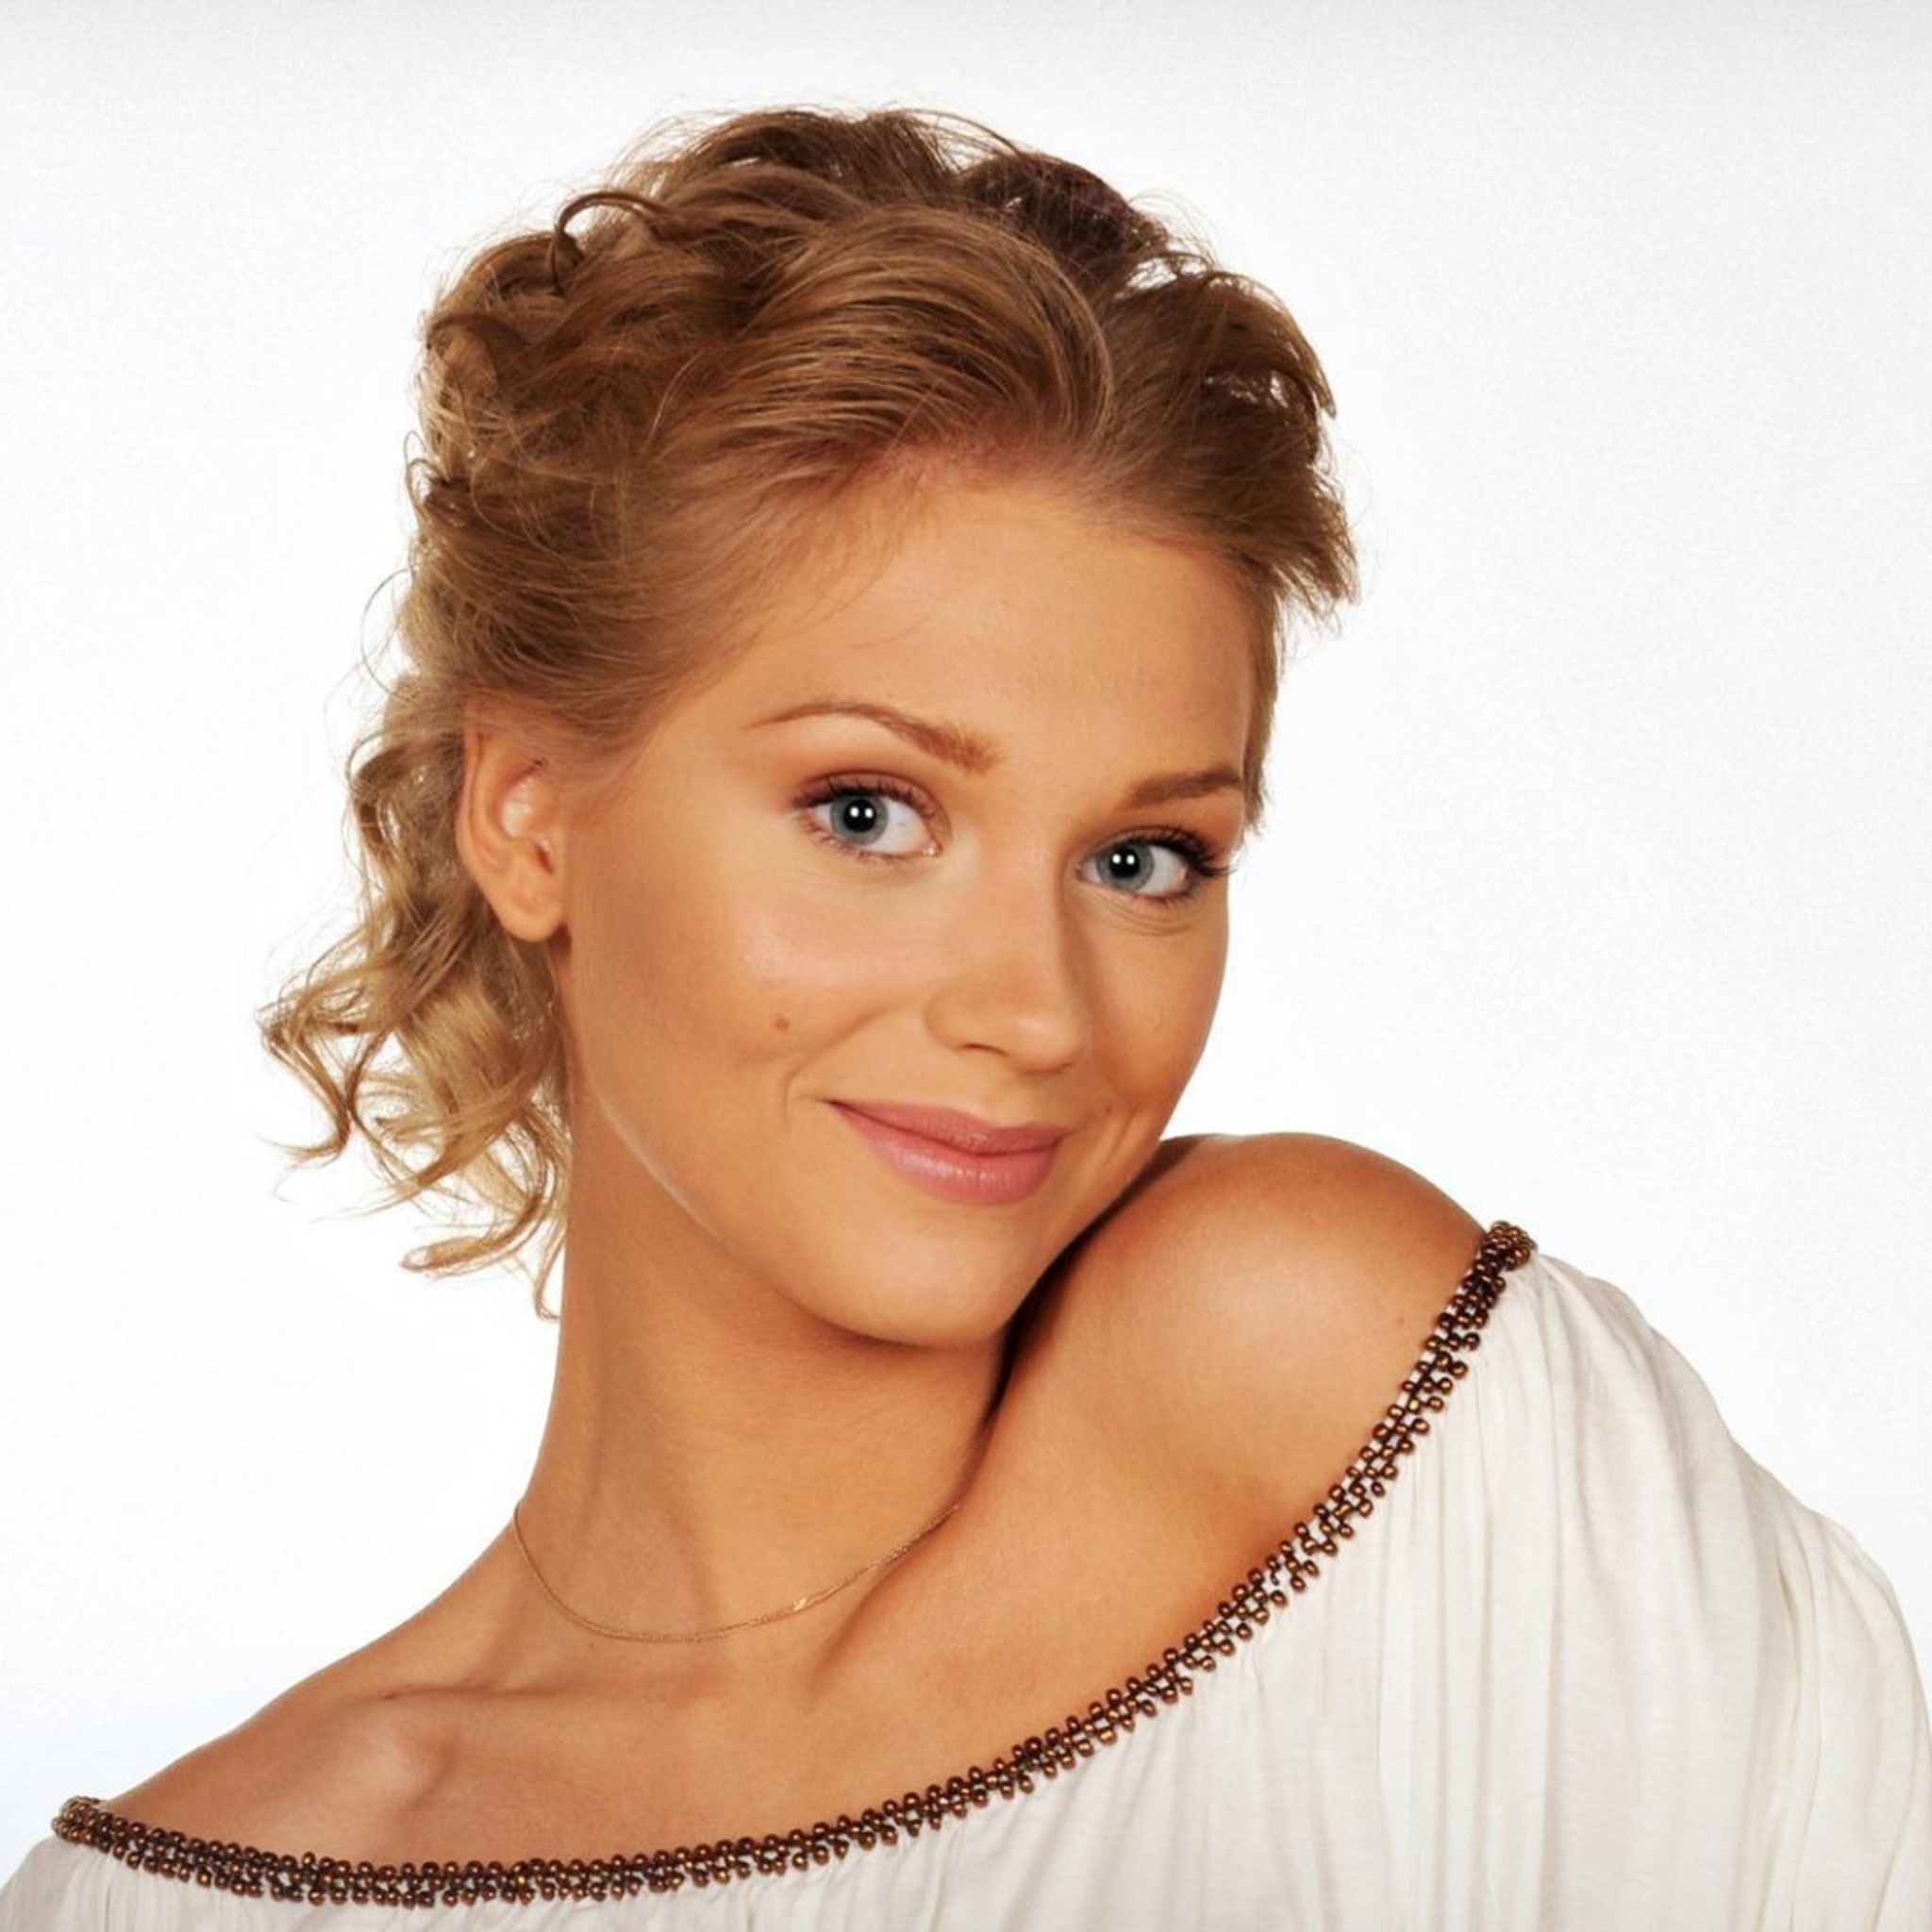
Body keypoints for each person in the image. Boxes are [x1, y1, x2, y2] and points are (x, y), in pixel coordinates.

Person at [2, 105, 1925, 1931]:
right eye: (869, 814)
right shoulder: (184, 1897)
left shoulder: (1325, 1403)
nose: (1035, 1012)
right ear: (526, 817)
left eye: (1145, 859)